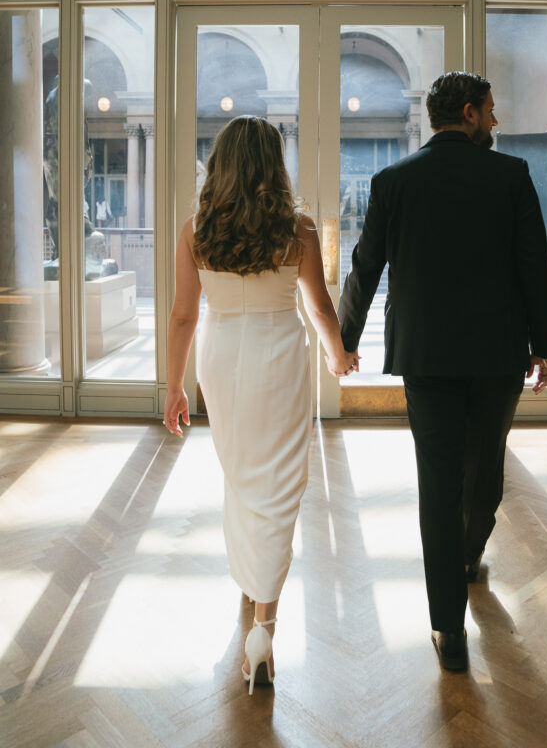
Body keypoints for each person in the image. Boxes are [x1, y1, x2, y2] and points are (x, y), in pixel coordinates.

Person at [338, 71, 547, 673]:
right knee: (485, 468)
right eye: (490, 110)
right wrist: (546, 343)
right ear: (467, 112)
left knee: (437, 485)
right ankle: (467, 553)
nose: (495, 120)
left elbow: (365, 266)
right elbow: (533, 262)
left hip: (426, 358)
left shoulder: (393, 181)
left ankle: (447, 628)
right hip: (496, 355)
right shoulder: (510, 176)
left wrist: (344, 339)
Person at [163, 116, 356, 694]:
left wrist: (174, 387)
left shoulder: (196, 230)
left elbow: (182, 317)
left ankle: (250, 588)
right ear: (274, 164)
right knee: (278, 486)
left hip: (221, 357)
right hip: (279, 354)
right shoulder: (295, 229)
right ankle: (264, 629)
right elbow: (320, 308)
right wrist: (338, 356)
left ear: (219, 164)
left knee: (241, 475)